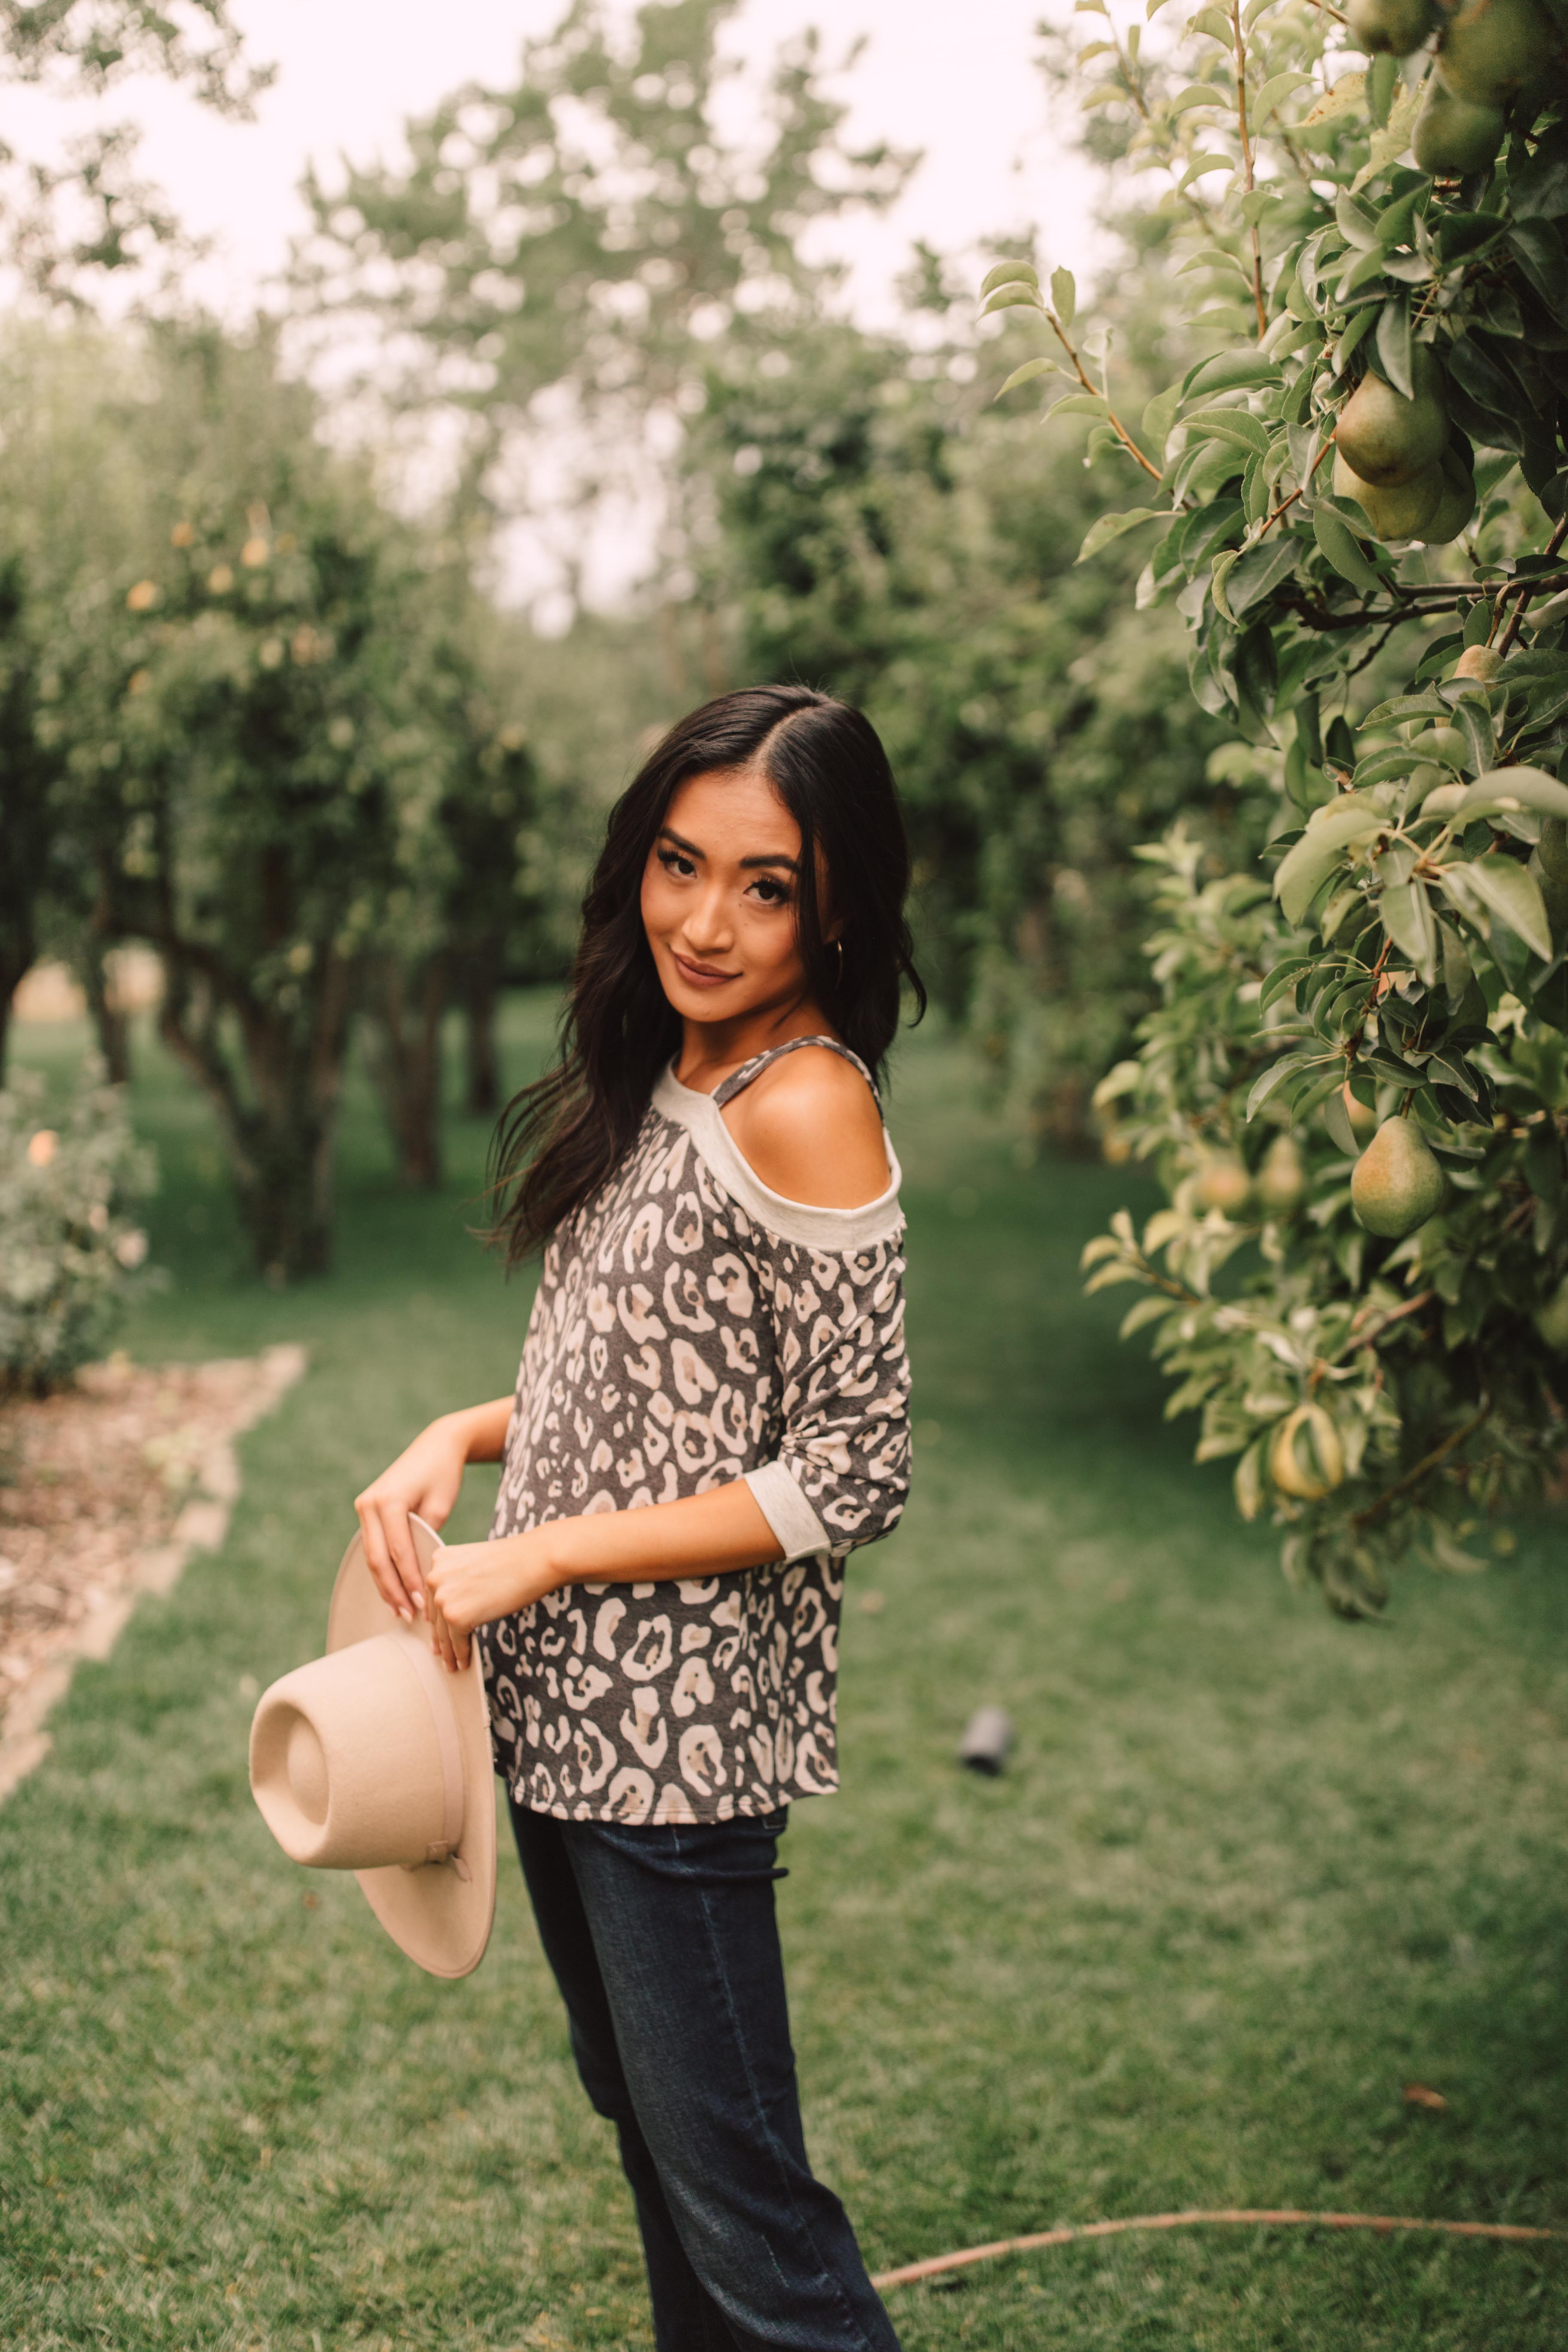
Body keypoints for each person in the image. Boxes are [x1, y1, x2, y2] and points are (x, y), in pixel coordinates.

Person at [352, 685, 922, 2351]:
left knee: (750, 2217)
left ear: (837, 901)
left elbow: (852, 1468)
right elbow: (647, 1394)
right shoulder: (666, 1068)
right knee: (668, 2160)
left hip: (673, 1751)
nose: (706, 917)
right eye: (681, 863)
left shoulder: (802, 1103)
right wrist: (454, 1433)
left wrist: (541, 1549)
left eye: (767, 883)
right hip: (553, 1715)